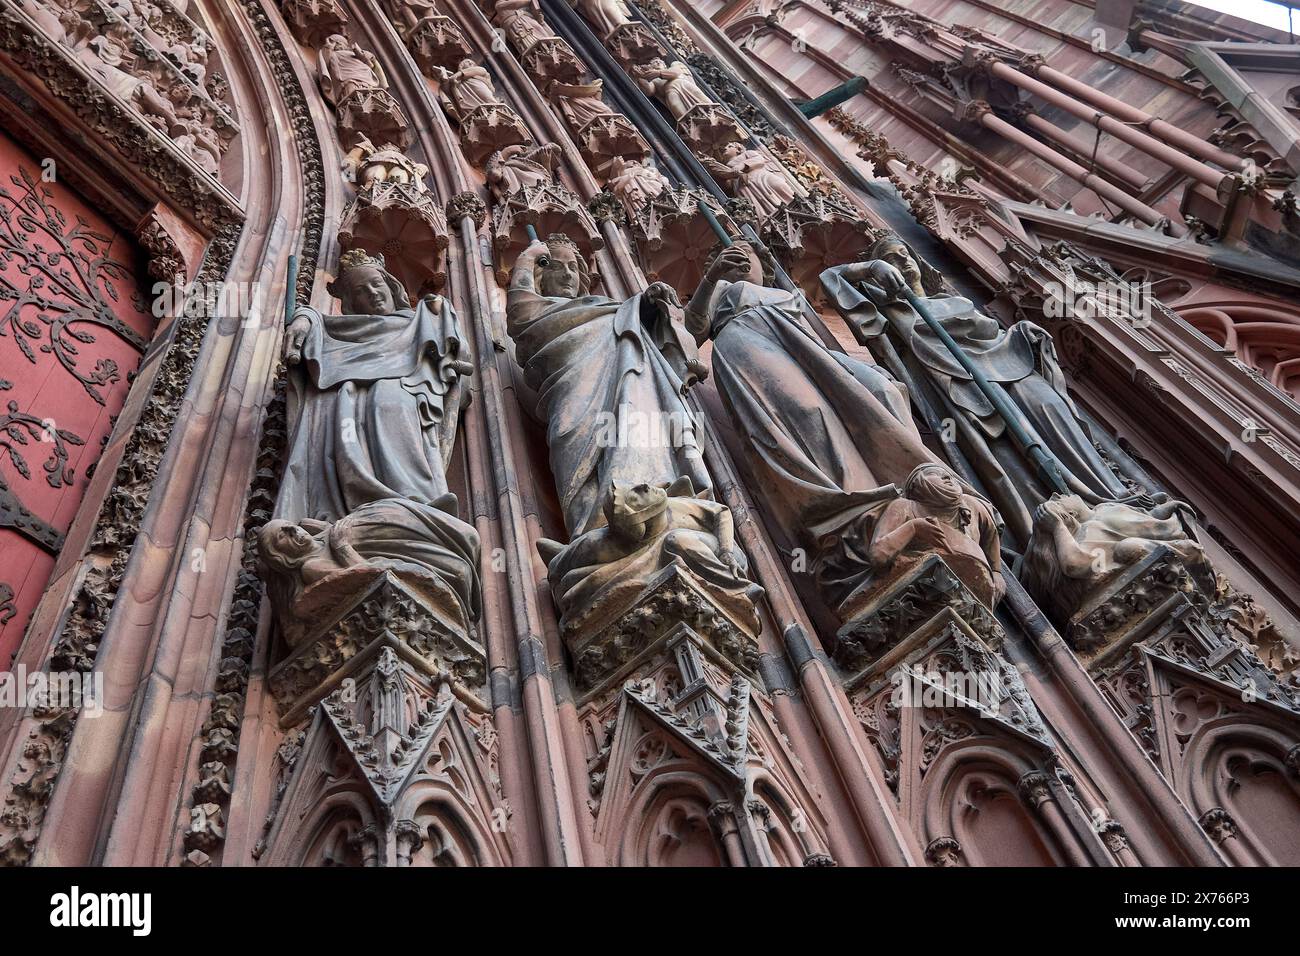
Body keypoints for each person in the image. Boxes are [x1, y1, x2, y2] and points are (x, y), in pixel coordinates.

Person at [507, 235, 709, 536]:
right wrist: (527, 258)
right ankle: (590, 528)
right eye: (556, 267)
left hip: (633, 395)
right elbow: (519, 314)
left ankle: (650, 502)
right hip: (573, 394)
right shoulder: (541, 312)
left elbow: (661, 346)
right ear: (540, 273)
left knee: (637, 437)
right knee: (573, 447)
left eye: (574, 268)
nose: (567, 274)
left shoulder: (611, 310)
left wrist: (650, 307)